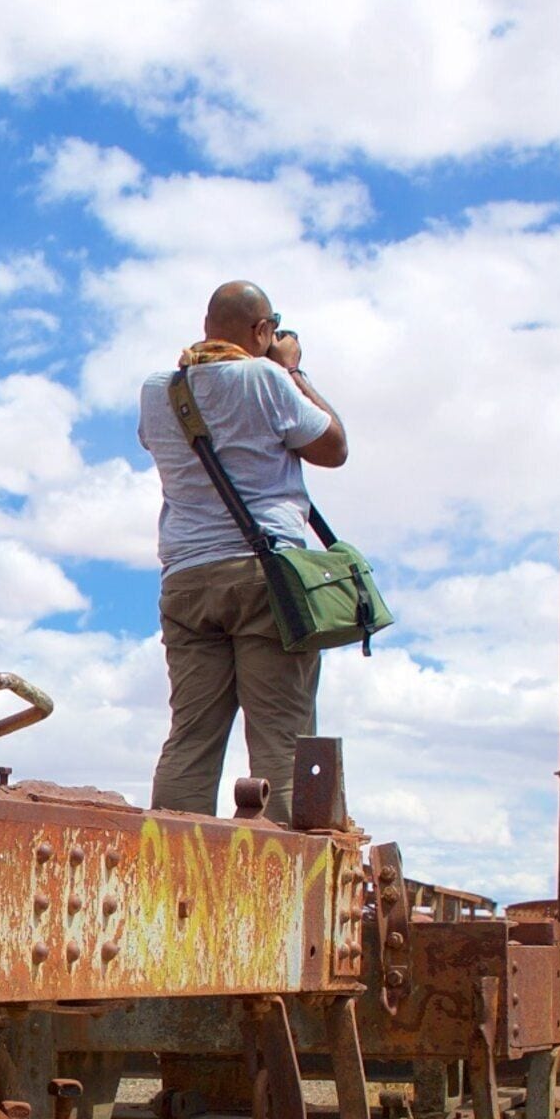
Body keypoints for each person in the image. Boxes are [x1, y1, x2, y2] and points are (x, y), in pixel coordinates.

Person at [139, 279, 347, 822]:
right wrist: (293, 370)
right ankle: (282, 868)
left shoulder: (158, 390)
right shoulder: (267, 378)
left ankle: (171, 860)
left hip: (186, 579)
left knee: (191, 737)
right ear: (262, 330)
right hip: (265, 580)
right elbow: (334, 447)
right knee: (281, 738)